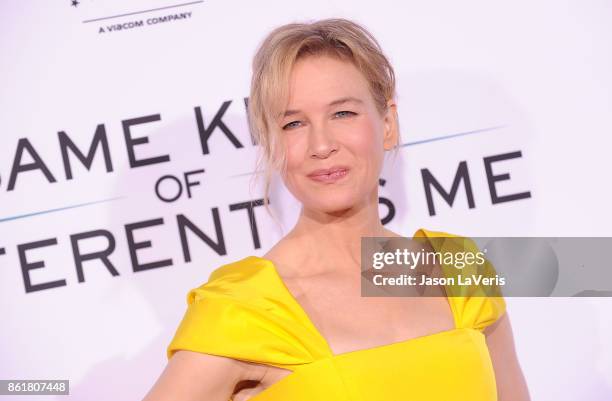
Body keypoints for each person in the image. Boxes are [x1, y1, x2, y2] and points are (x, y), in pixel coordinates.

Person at [143, 18, 531, 401]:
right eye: (293, 123)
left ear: (388, 123)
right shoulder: (247, 309)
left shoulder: (457, 269)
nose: (321, 144)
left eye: (342, 113)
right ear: (272, 145)